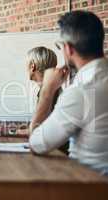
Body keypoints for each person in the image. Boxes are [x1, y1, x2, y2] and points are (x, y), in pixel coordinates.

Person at [29, 11, 108, 175]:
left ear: (68, 48)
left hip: (88, 185)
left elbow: (36, 144)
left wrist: (47, 90)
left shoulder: (82, 91)